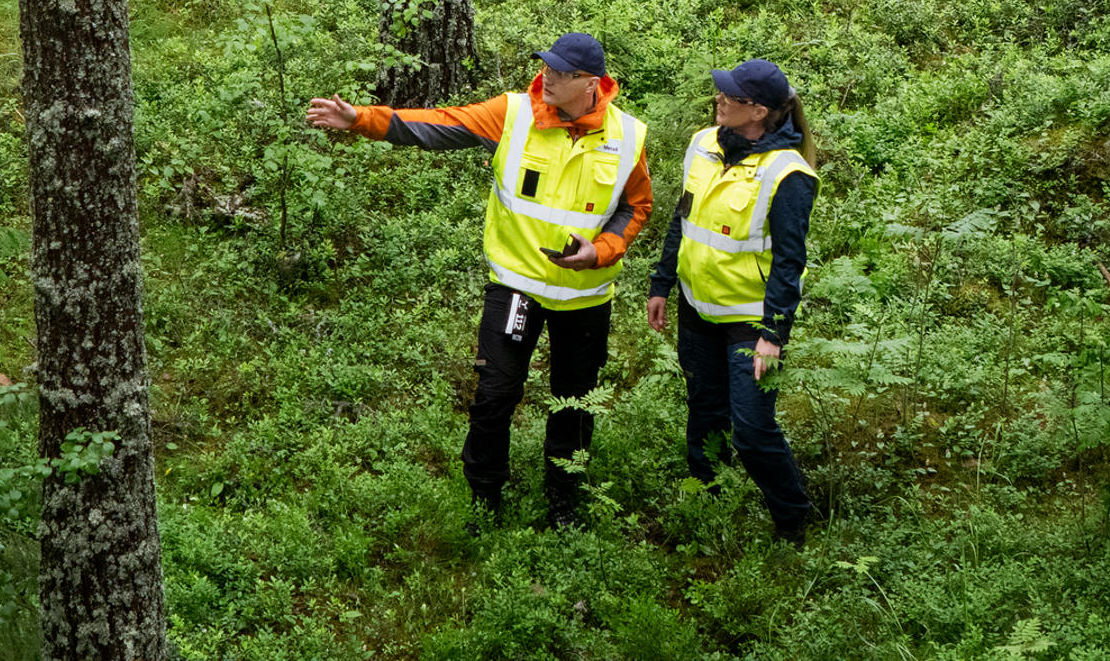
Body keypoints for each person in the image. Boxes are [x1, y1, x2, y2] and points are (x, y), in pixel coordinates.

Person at [306, 32, 652, 528]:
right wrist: (361, 118)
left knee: (574, 404)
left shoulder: (629, 137)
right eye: (545, 67)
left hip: (585, 298)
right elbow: (439, 124)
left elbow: (635, 206)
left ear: (590, 83)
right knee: (495, 394)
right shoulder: (514, 114)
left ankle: (564, 504)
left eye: (559, 72)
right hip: (516, 288)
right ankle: (485, 500)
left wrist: (602, 250)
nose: (546, 77)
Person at [646, 57, 818, 544]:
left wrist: (773, 337)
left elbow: (790, 262)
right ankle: (707, 499)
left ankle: (792, 518)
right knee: (704, 408)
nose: (718, 100)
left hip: (750, 323)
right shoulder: (703, 143)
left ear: (758, 111)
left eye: (730, 96)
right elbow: (682, 216)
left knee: (752, 429)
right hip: (696, 306)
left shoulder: (789, 175)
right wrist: (662, 284)